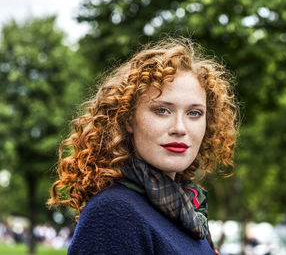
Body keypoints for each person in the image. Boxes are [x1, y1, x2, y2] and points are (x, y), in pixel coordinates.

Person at [47, 37, 239, 255]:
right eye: (162, 110)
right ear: (128, 119)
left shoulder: (188, 213)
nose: (180, 128)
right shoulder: (115, 213)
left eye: (194, 113)